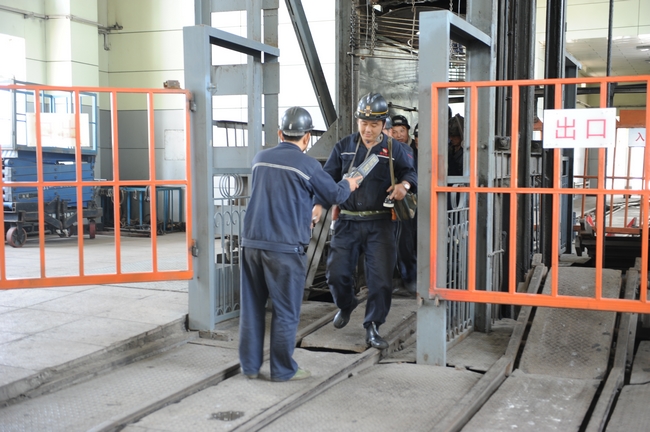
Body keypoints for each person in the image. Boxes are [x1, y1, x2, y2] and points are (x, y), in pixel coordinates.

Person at [239, 107, 362, 382]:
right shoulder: (308, 165)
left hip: (251, 245)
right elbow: (334, 194)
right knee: (285, 311)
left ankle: (249, 366)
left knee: (252, 307)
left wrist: (303, 212)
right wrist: (349, 183)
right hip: (284, 250)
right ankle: (282, 370)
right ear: (307, 138)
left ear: (280, 133)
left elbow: (278, 196)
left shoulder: (259, 159)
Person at [314, 93, 417, 349]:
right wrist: (318, 205)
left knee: (380, 280)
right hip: (347, 222)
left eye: (373, 124)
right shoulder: (344, 147)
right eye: (363, 123)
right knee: (336, 274)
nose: (367, 130)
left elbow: (411, 173)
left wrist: (404, 186)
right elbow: (327, 180)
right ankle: (346, 304)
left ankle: (373, 325)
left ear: (383, 125)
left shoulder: (395, 149)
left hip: (380, 224)